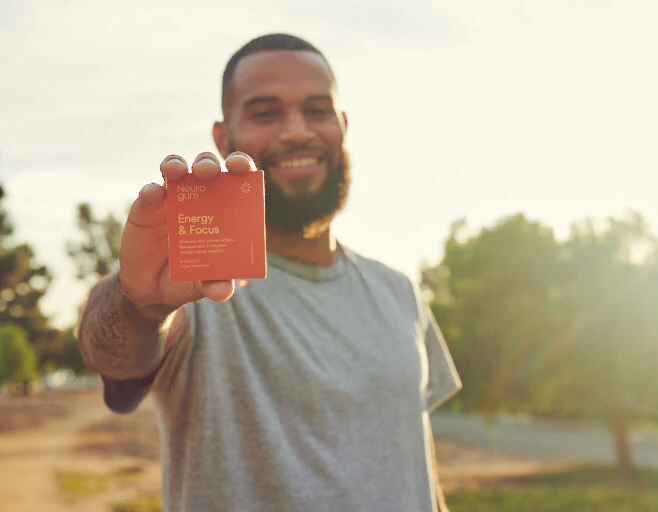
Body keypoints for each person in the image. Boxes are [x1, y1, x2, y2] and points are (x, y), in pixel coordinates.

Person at [77, 33, 461, 512]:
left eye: (317, 110)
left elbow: (416, 463)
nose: (296, 131)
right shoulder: (200, 291)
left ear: (342, 124)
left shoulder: (398, 291)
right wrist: (138, 306)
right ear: (223, 137)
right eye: (265, 112)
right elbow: (116, 361)